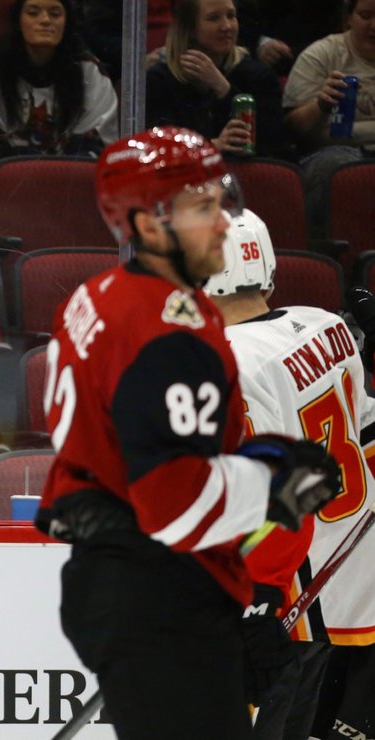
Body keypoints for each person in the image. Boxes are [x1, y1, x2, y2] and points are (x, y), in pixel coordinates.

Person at [36, 126, 340, 739]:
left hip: (123, 580)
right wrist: (273, 483)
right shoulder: (170, 333)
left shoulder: (98, 297)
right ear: (150, 225)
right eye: (205, 209)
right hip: (160, 592)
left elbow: (135, 450)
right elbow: (172, 500)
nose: (226, 223)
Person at [205, 209, 375, 739]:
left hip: (285, 599)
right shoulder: (325, 324)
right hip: (341, 586)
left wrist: (255, 599)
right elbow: (365, 430)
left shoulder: (232, 363)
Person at [0, 0, 119, 158]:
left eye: (55, 14)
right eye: (33, 13)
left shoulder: (89, 71)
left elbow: (98, 142)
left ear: (66, 22)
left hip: (70, 175)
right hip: (7, 175)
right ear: (18, 21)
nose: (45, 20)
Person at [146, 0, 288, 159]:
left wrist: (223, 89)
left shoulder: (258, 76)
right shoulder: (160, 79)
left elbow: (274, 150)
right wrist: (212, 146)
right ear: (190, 28)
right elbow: (160, 150)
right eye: (214, 18)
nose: (227, 26)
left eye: (231, 16)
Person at [282, 0, 375, 240]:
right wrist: (321, 105)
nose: (374, 26)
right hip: (330, 153)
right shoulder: (322, 54)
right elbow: (292, 128)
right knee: (338, 165)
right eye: (366, 16)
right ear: (349, 18)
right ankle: (327, 258)